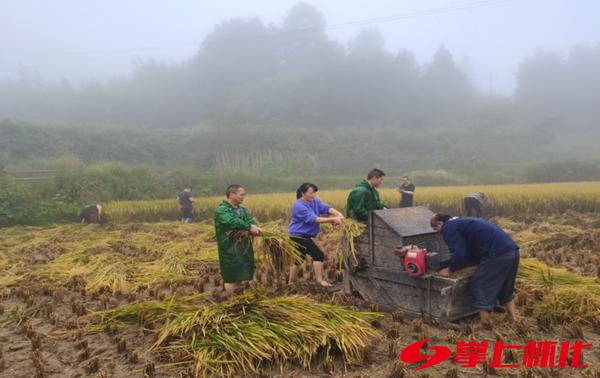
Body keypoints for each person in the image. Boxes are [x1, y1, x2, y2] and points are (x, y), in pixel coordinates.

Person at [430, 214, 519, 327]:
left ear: (439, 223)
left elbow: (460, 254)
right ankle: (513, 317)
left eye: (436, 229)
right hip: (512, 251)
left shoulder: (448, 227)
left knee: (479, 281)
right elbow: (468, 253)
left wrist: (449, 269)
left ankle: (485, 321)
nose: (438, 232)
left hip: (496, 254)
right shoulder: (462, 222)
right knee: (506, 284)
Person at [288, 183, 345, 287]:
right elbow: (314, 219)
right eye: (310, 193)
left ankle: (291, 282)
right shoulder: (298, 205)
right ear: (303, 193)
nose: (313, 195)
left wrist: (338, 214)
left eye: (314, 192)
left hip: (302, 235)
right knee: (318, 255)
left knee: (299, 258)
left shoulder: (315, 201)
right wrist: (332, 219)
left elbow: (326, 208)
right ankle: (320, 281)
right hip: (298, 236)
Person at [214, 185, 262, 295]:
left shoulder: (243, 210)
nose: (244, 197)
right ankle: (233, 300)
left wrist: (255, 228)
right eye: (242, 194)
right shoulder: (222, 210)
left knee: (242, 273)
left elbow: (250, 221)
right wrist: (249, 227)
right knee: (231, 275)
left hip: (244, 247)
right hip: (229, 248)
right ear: (231, 195)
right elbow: (231, 222)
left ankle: (240, 296)